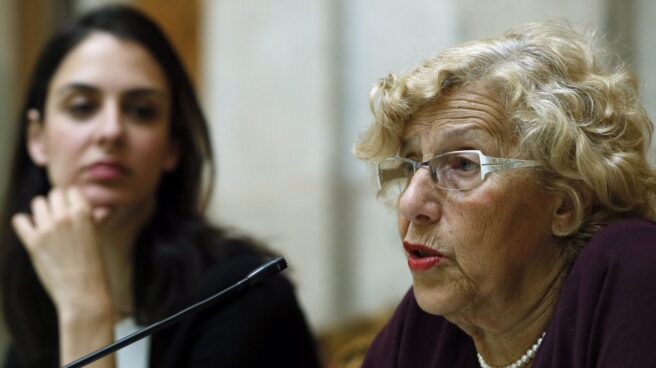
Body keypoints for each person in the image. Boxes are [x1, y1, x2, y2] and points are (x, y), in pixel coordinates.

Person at [0, 5, 320, 368]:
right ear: (37, 138)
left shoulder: (244, 297)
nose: (110, 131)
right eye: (82, 106)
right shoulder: (37, 321)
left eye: (141, 111)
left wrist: (85, 308)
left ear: (172, 146)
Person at [355, 20, 656, 368]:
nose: (410, 203)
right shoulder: (430, 324)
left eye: (464, 165)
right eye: (410, 165)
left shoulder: (632, 269)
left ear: (565, 202)